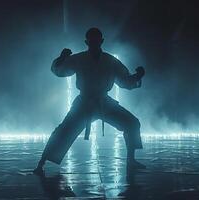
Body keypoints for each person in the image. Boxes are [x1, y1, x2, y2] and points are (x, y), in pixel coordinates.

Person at [34, 27, 145, 175]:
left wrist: (137, 76)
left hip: (103, 101)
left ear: (101, 41)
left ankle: (131, 160)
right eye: (91, 40)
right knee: (62, 132)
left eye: (96, 40)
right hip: (84, 102)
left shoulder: (110, 61)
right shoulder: (78, 59)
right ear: (87, 42)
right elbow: (59, 71)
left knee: (132, 123)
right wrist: (62, 58)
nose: (93, 43)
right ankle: (41, 164)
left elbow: (124, 81)